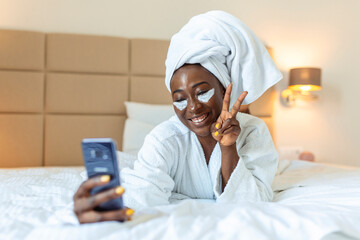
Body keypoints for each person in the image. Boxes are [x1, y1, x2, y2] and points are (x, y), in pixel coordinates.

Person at [73, 10, 282, 223]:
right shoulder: (164, 139)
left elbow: (253, 203)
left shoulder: (253, 131)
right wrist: (103, 210)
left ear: (223, 88)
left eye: (202, 93)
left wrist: (228, 147)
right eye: (180, 98)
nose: (193, 107)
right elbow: (143, 194)